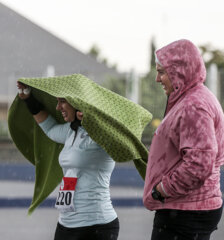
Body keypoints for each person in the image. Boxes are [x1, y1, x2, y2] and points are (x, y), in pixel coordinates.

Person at [17, 81, 120, 240]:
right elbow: (50, 129)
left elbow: (119, 137)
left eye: (63, 101)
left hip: (96, 225)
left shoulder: (102, 135)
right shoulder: (71, 131)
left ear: (78, 102)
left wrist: (91, 119)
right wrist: (28, 98)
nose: (58, 107)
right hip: (66, 224)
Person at [143, 39, 224, 240]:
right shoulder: (195, 97)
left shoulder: (193, 106)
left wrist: (162, 190)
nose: (157, 79)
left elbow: (199, 164)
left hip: (185, 210)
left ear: (179, 72)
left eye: (162, 72)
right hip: (189, 207)